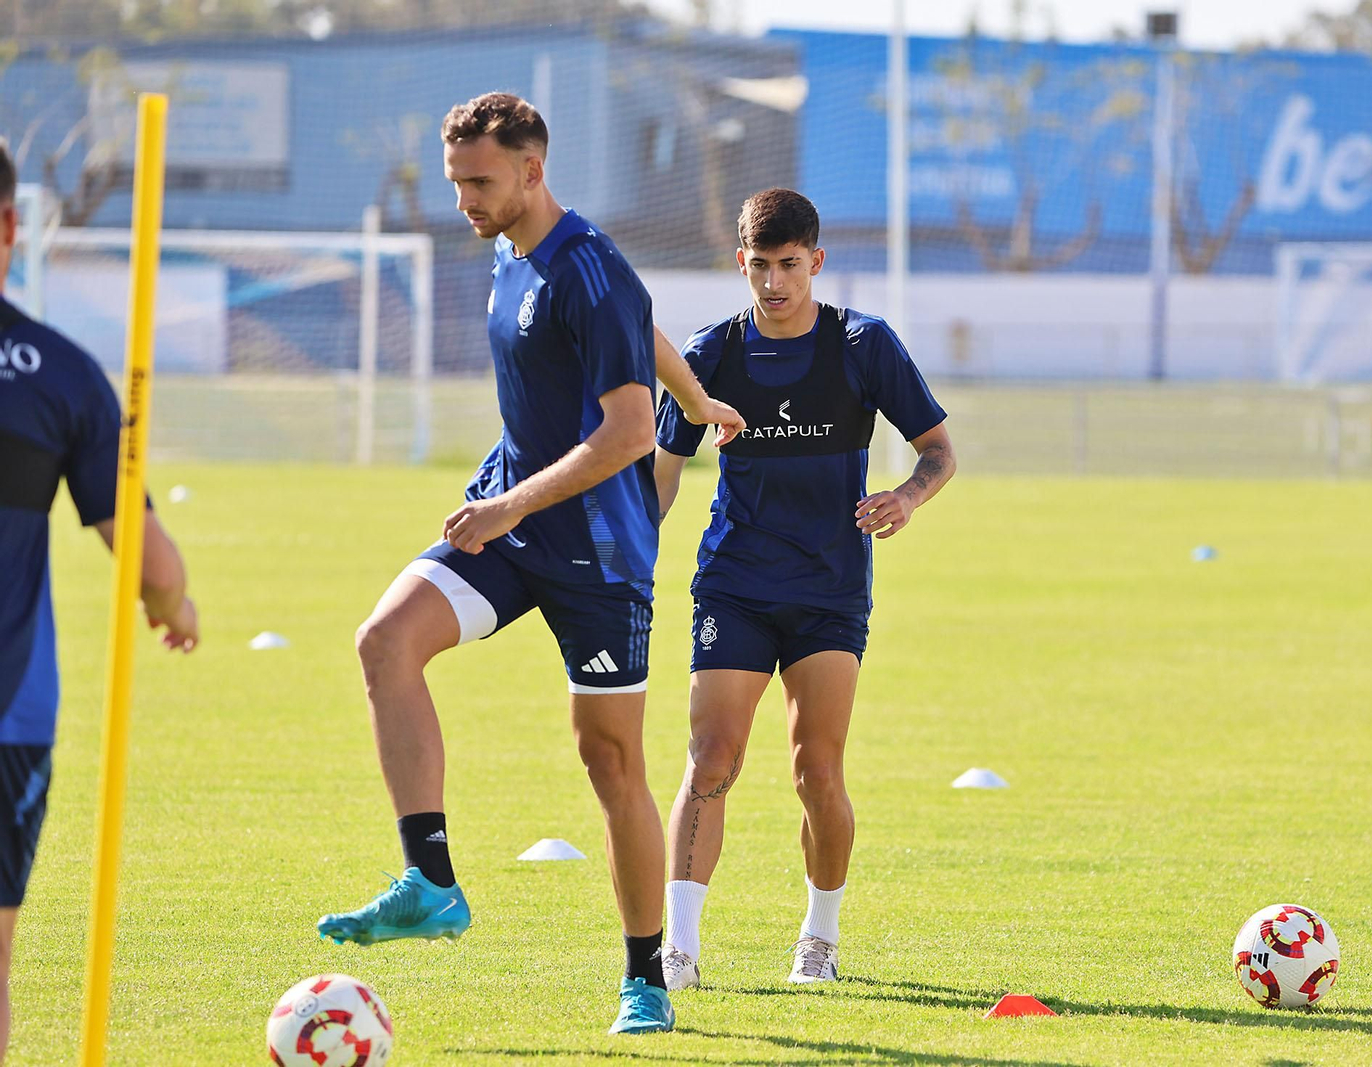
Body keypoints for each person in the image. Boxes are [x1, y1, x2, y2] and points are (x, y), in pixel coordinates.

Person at [314, 92, 739, 1036]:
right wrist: (701, 395)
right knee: (385, 640)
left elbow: (628, 433)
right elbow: (647, 336)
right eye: (457, 178)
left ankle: (645, 978)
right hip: (510, 521)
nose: (463, 198)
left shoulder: (594, 271)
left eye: (479, 181)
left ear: (533, 172)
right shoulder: (512, 249)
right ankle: (429, 879)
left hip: (598, 552)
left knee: (609, 758)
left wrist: (514, 499)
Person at [652, 187, 955, 989]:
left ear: (815, 261)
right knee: (711, 756)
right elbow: (663, 473)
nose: (775, 282)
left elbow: (937, 450)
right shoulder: (710, 353)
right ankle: (676, 950)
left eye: (790, 265)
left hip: (829, 589)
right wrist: (624, 555)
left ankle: (819, 938)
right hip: (735, 583)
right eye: (761, 266)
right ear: (741, 263)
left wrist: (907, 497)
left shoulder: (863, 344)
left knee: (816, 769)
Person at [0, 139, 199, 1062]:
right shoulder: (59, 374)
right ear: (11, 228)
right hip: (9, 710)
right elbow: (145, 556)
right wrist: (173, 602)